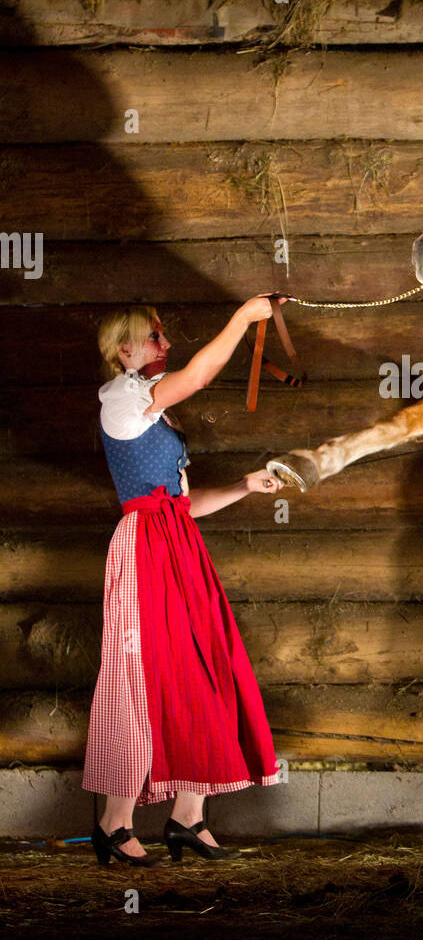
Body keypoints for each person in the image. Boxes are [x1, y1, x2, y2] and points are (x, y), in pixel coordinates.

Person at [83, 296, 285, 867]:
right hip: (145, 544)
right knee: (141, 675)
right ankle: (113, 822)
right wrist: (244, 320)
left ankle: (187, 816)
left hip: (177, 541)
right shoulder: (123, 399)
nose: (164, 345)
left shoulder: (154, 411)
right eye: (153, 338)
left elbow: (186, 504)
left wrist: (244, 487)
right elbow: (197, 375)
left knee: (202, 664)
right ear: (124, 350)